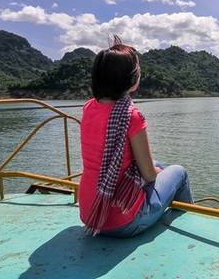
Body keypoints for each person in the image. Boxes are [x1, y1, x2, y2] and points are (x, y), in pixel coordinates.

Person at [79, 37, 193, 237]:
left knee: (161, 166)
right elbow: (149, 175)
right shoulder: (130, 116)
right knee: (179, 172)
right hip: (124, 222)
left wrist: (157, 170)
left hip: (90, 212)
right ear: (130, 79)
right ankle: (191, 222)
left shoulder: (89, 107)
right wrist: (156, 172)